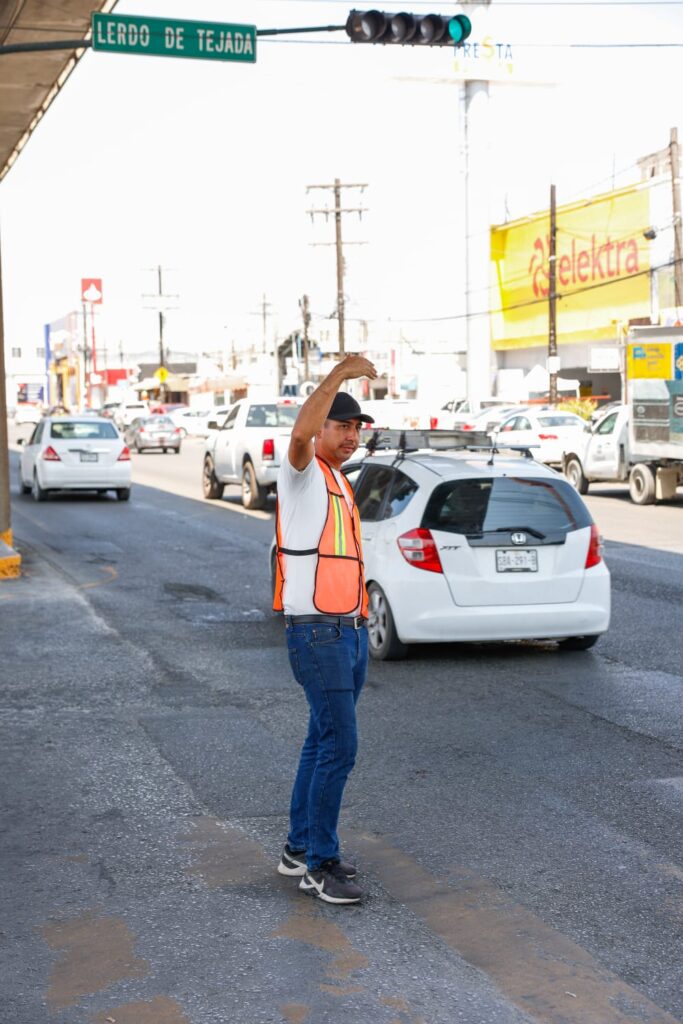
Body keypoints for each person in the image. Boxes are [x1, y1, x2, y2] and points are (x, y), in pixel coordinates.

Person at [273, 354, 378, 905]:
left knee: (322, 740)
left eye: (357, 427)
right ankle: (320, 865)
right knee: (340, 745)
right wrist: (339, 373)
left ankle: (299, 848)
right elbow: (299, 433)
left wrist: (361, 622)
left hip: (347, 629)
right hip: (318, 633)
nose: (351, 436)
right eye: (341, 425)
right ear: (321, 429)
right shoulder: (303, 471)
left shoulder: (339, 480)